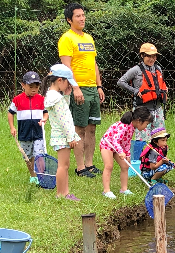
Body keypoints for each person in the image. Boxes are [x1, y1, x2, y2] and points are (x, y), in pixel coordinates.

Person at [58, 2, 105, 178]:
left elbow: (93, 64)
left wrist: (99, 85)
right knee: (79, 128)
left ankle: (89, 164)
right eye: (78, 16)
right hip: (79, 89)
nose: (82, 18)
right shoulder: (67, 38)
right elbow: (66, 66)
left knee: (92, 127)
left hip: (93, 88)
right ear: (69, 20)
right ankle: (80, 168)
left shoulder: (88, 38)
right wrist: (76, 88)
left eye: (83, 15)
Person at [117, 43, 167, 160]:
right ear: (142, 56)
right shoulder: (136, 70)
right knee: (142, 137)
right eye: (149, 56)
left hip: (157, 108)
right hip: (142, 109)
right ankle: (137, 162)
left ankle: (155, 161)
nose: (152, 59)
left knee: (159, 135)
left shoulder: (158, 69)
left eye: (154, 56)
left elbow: (159, 85)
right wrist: (134, 90)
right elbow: (121, 81)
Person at [42, 64, 82, 201]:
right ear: (60, 80)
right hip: (63, 136)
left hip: (60, 135)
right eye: (67, 82)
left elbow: (63, 110)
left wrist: (67, 95)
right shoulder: (56, 98)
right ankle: (61, 194)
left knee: (65, 166)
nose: (68, 85)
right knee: (63, 166)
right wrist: (71, 137)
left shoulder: (53, 95)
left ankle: (65, 193)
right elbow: (64, 119)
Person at [99, 107, 152, 199]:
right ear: (139, 121)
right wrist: (120, 152)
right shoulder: (124, 126)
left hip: (118, 146)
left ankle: (124, 189)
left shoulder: (132, 128)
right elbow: (115, 140)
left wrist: (127, 155)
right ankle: (106, 191)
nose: (146, 127)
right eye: (146, 124)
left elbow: (127, 142)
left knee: (125, 166)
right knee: (109, 166)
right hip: (107, 144)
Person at [7, 71, 49, 184]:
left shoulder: (41, 99)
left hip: (38, 133)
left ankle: (41, 176)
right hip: (24, 133)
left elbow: (46, 113)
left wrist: (44, 119)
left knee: (39, 155)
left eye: (37, 86)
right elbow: (10, 113)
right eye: (31, 87)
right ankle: (33, 176)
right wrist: (12, 127)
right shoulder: (17, 100)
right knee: (28, 156)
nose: (34, 89)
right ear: (23, 85)